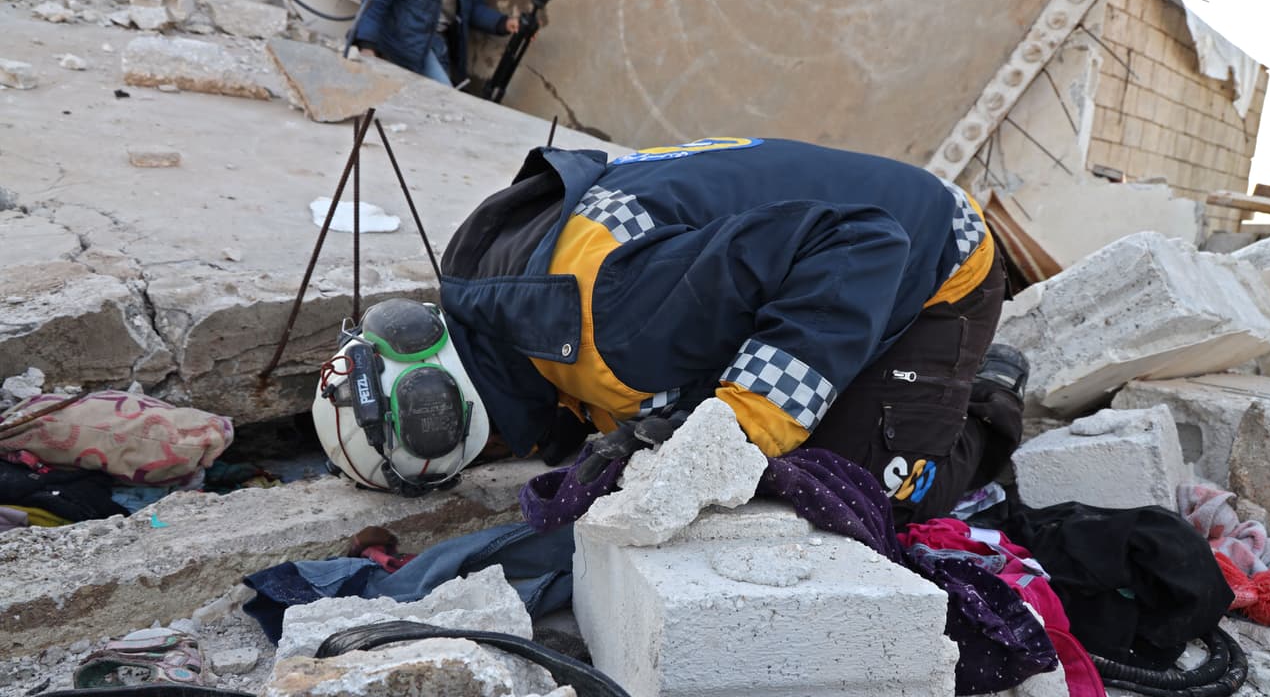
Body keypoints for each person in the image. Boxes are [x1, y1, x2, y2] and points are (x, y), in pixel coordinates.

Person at [314, 137, 1028, 526]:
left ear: (467, 436)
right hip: (832, 251)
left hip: (936, 259)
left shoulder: (608, 330)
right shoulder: (504, 293)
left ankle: (987, 391)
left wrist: (741, 427)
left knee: (858, 487)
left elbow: (863, 244)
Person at [351, 0, 517, 87]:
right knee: (444, 95)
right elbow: (376, 1)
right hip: (401, 41)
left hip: (435, 45)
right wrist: (367, 46)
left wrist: (503, 23)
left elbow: (471, 10)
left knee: (442, 99)